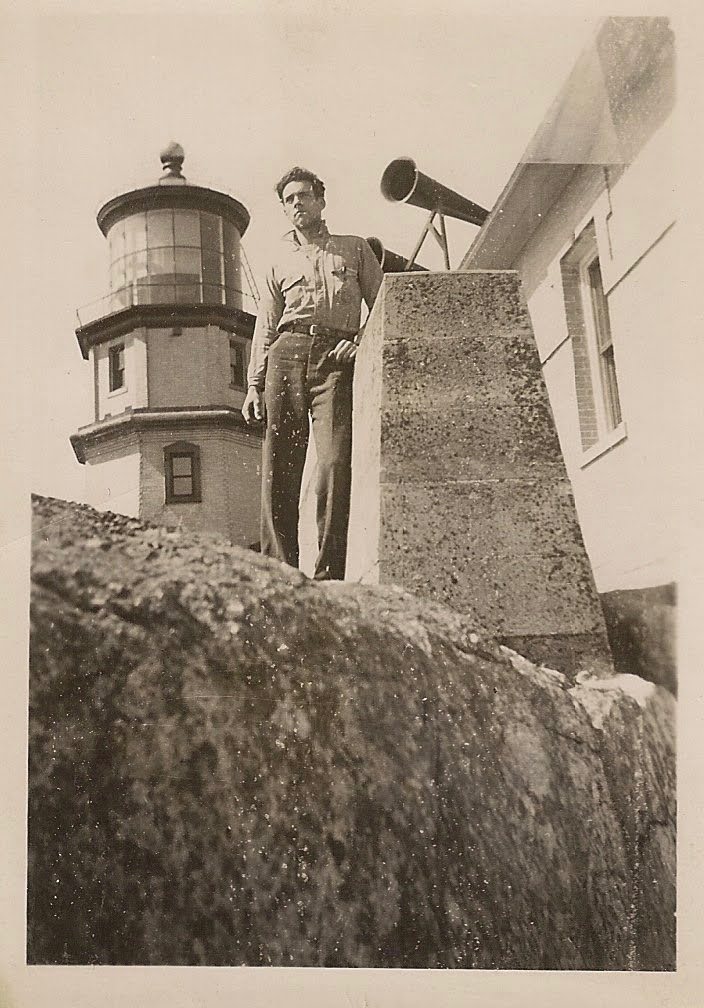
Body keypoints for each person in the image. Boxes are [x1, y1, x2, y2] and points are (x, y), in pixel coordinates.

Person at [242, 167, 383, 580]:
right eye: (289, 200)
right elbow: (266, 325)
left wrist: (359, 341)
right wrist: (253, 384)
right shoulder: (277, 260)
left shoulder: (354, 249)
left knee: (334, 461)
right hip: (286, 355)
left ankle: (328, 573)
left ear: (321, 200)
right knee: (280, 465)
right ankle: (281, 572)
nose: (297, 204)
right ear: (284, 209)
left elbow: (382, 305)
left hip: (334, 360)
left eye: (304, 195)